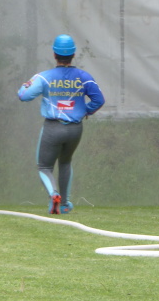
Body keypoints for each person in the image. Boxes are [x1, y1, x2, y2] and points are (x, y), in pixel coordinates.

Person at [18, 34, 105, 214]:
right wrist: (86, 111)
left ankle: (53, 194)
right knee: (65, 162)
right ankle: (64, 204)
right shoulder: (84, 77)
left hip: (53, 127)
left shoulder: (45, 77)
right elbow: (99, 100)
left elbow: (23, 96)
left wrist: (26, 84)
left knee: (44, 167)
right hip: (75, 129)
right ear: (73, 55)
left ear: (54, 54)